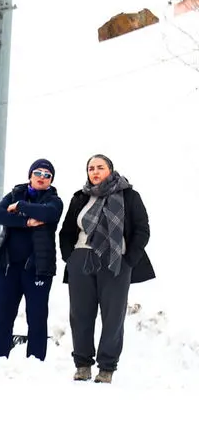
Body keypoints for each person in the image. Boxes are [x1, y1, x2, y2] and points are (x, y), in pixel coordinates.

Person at [60, 154, 154, 383]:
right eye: (91, 168)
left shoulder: (129, 196)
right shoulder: (80, 197)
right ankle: (82, 365)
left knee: (113, 316)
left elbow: (142, 229)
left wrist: (129, 260)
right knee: (80, 314)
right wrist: (69, 258)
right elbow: (66, 231)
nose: (95, 172)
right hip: (81, 259)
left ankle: (106, 368)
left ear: (110, 170)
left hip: (115, 261)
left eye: (100, 167)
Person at [0, 158, 63, 364]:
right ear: (30, 175)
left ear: (50, 180)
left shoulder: (54, 200)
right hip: (8, 267)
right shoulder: (14, 193)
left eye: (46, 175)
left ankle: (35, 362)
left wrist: (20, 207)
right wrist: (26, 221)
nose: (42, 177)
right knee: (4, 316)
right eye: (38, 173)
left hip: (38, 269)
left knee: (37, 318)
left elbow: (49, 213)